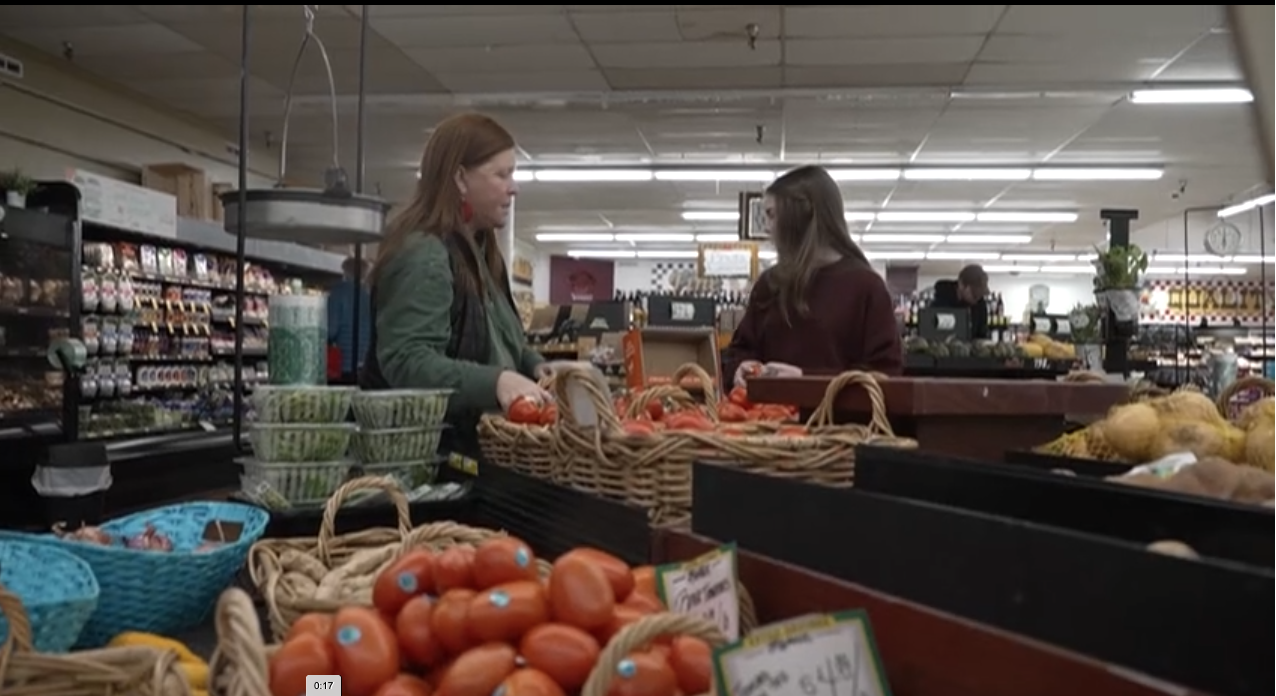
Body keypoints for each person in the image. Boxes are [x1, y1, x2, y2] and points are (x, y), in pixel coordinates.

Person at [361, 113, 551, 460]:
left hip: (473, 451)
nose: (514, 187)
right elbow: (407, 361)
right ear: (460, 179)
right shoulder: (424, 254)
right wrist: (497, 382)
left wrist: (538, 366)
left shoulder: (482, 253)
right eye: (501, 174)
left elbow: (499, 342)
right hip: (427, 462)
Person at [726, 165, 903, 388]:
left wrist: (807, 381)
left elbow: (886, 376)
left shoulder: (867, 288)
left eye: (771, 215)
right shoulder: (770, 284)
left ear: (801, 214)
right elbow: (740, 350)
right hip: (766, 420)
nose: (768, 229)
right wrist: (740, 367)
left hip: (841, 422)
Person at [326, 256, 372, 384]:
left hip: (343, 364)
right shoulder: (369, 296)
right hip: (365, 365)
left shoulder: (338, 293)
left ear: (345, 271)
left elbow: (331, 330)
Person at [931, 265, 990, 340]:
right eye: (974, 294)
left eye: (980, 294)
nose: (978, 298)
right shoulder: (940, 304)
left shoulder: (980, 304)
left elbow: (982, 333)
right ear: (961, 285)